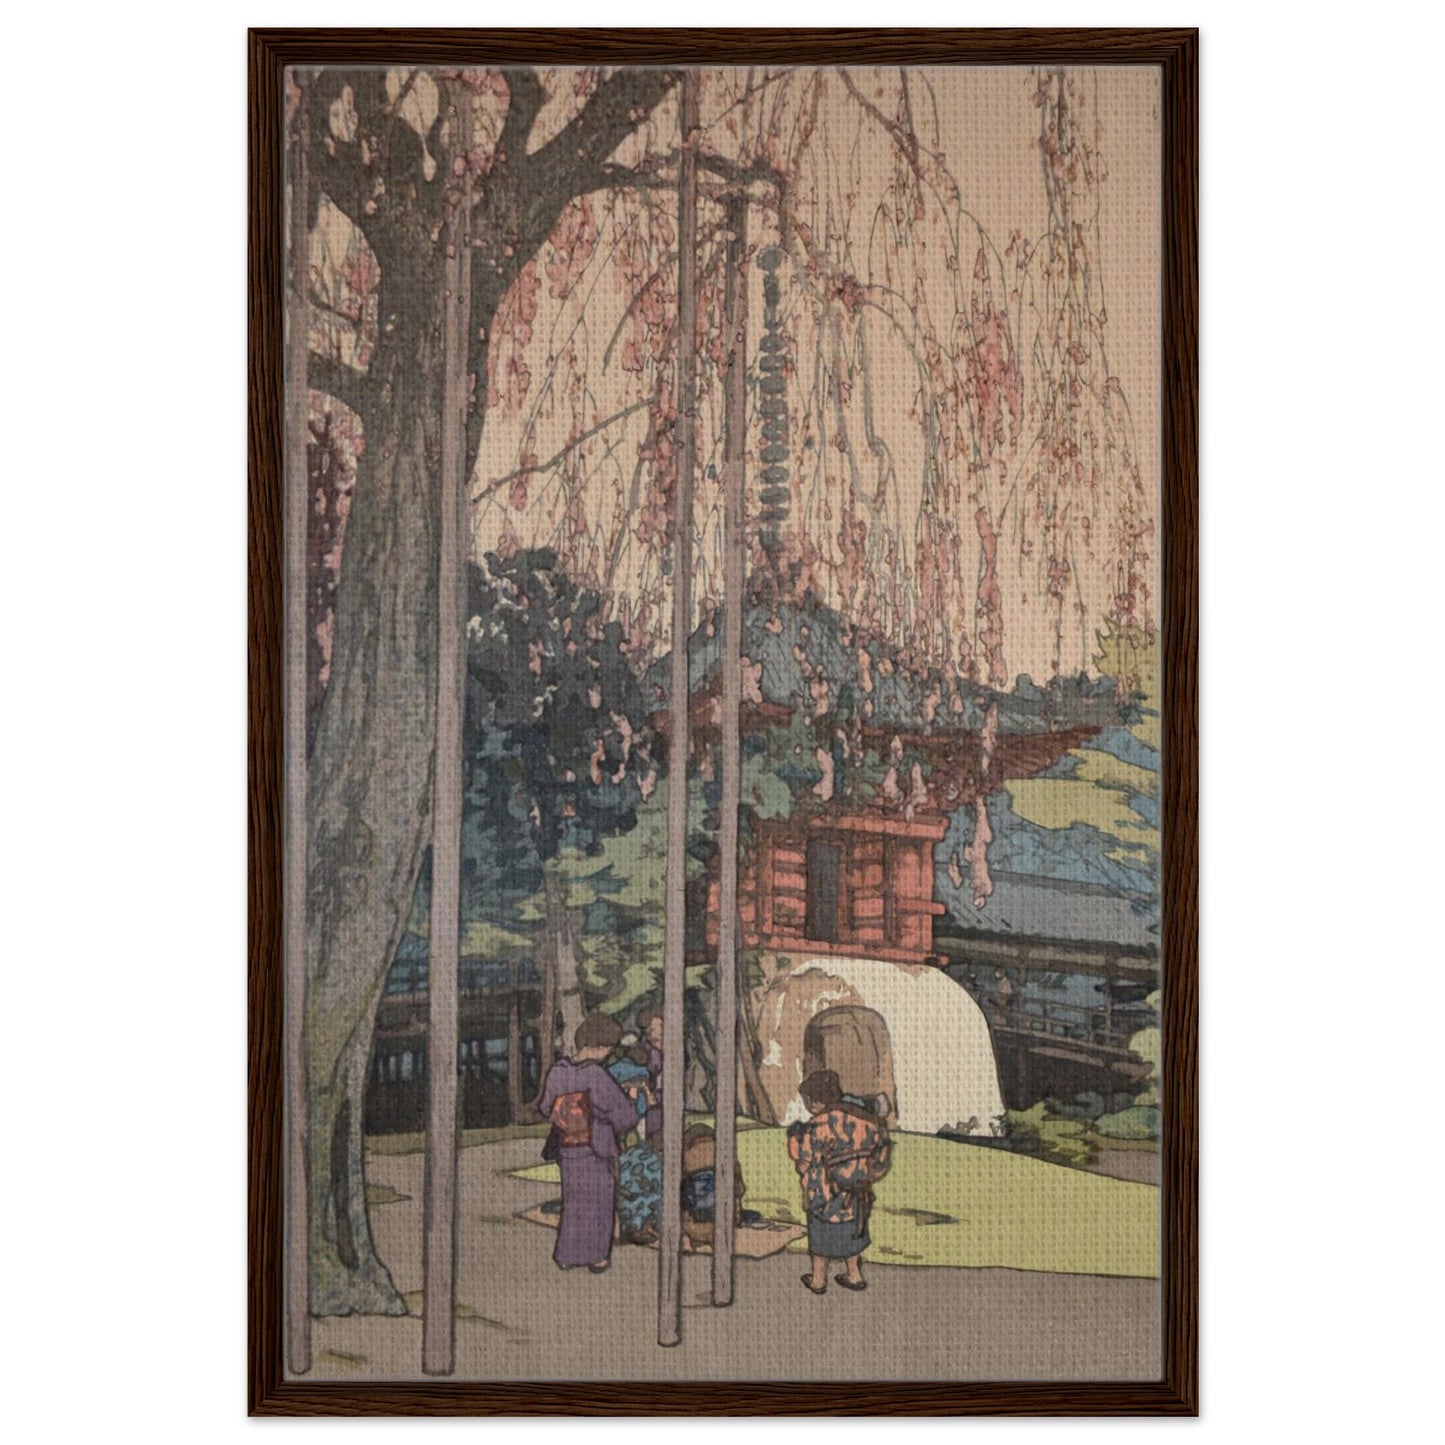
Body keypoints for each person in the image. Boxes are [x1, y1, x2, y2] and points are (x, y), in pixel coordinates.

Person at [537, 1012, 639, 1273]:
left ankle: (566, 1254)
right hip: (595, 1147)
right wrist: (631, 1098)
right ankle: (596, 1256)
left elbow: (545, 1107)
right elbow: (625, 1117)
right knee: (599, 1202)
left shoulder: (558, 1072)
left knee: (573, 1202)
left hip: (568, 1148)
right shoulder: (595, 1075)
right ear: (600, 1046)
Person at [787, 1068, 892, 1295]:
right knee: (852, 1231)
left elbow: (805, 1160)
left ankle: (818, 1280)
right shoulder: (866, 1120)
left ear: (815, 1101)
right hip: (856, 1191)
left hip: (824, 1192)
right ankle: (854, 1275)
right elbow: (879, 1155)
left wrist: (800, 1164)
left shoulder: (817, 1125)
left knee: (821, 1235)